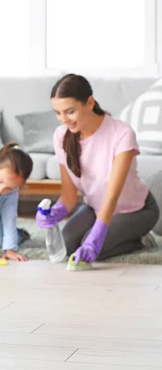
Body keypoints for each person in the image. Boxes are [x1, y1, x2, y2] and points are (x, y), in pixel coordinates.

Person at [36, 74, 159, 264]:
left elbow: (112, 198)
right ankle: (116, 236)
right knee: (67, 246)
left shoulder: (121, 133)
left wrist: (95, 239)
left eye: (70, 111)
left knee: (92, 247)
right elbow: (68, 196)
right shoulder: (61, 136)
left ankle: (139, 239)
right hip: (94, 207)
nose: (63, 120)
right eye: (58, 113)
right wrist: (54, 213)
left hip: (136, 210)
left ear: (90, 102)